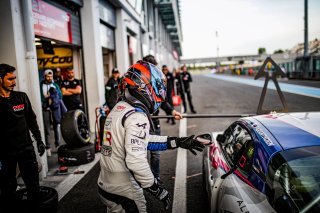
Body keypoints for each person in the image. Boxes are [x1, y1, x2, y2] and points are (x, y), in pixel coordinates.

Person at [98, 60, 205, 212]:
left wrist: (177, 142)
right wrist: (158, 190)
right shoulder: (135, 115)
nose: (159, 94)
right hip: (124, 190)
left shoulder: (119, 109)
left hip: (105, 183)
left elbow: (142, 141)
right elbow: (136, 161)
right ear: (144, 87)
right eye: (157, 87)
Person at [0, 63, 46, 212]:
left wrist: (39, 140)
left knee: (33, 185)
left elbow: (32, 121)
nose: (14, 82)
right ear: (0, 79)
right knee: (8, 188)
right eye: (10, 79)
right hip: (6, 153)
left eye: (14, 78)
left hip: (26, 148)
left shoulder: (21, 97)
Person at [142, 55, 182, 182]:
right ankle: (143, 179)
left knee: (156, 152)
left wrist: (172, 111)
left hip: (154, 122)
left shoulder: (156, 82)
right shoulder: (136, 81)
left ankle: (155, 178)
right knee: (140, 154)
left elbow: (162, 101)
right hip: (139, 123)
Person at [40, 69, 66, 150]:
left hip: (55, 108)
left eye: (51, 76)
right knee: (46, 128)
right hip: (45, 109)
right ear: (44, 77)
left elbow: (60, 96)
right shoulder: (41, 85)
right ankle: (48, 147)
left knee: (56, 126)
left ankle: (57, 144)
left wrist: (53, 98)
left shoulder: (55, 85)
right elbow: (40, 97)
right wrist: (46, 99)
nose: (50, 78)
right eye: (48, 76)